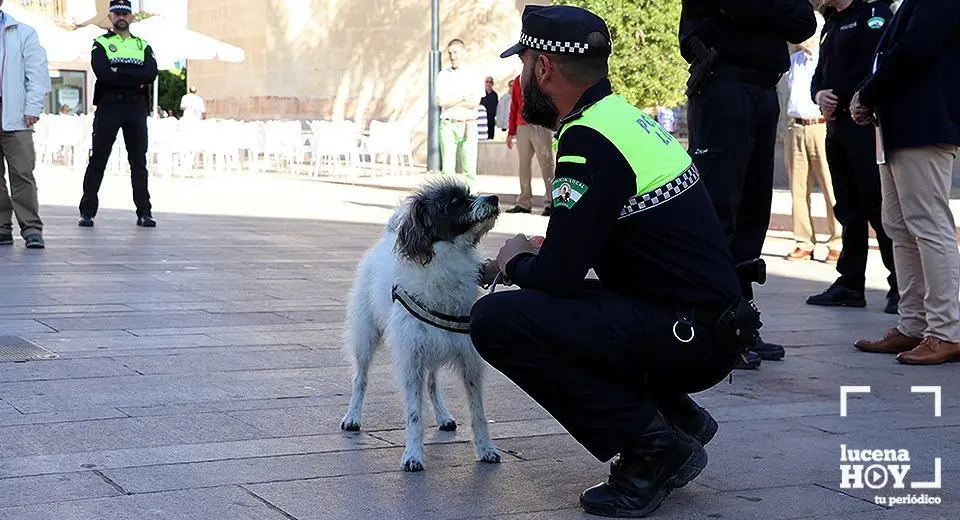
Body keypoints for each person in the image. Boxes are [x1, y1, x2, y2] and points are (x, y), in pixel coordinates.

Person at [471, 5, 763, 517]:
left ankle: (653, 448)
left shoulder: (588, 138)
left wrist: (513, 261)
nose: (521, 81)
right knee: (568, 313)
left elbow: (558, 278)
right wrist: (548, 253)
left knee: (499, 320)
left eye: (525, 66)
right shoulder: (624, 120)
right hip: (708, 324)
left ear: (544, 68)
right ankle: (674, 419)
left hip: (688, 335)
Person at [679, 0, 817, 369]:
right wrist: (773, 15)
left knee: (753, 212)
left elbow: (804, 23)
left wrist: (759, 13)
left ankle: (739, 323)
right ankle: (712, 323)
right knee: (719, 209)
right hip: (722, 83)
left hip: (762, 90)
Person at [851, 0, 960, 365]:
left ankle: (947, 330)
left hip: (924, 123)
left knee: (929, 227)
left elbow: (916, 47)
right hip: (898, 126)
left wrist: (867, 93)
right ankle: (913, 323)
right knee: (899, 226)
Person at [808, 0, 898, 314]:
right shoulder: (830, 24)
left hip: (864, 124)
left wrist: (853, 97)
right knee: (848, 207)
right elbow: (819, 76)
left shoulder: (873, 14)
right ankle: (850, 283)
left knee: (877, 203)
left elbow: (878, 66)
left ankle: (900, 284)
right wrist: (819, 95)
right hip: (836, 129)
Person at [78, 0, 158, 229]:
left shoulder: (143, 45)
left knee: (138, 162)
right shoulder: (100, 43)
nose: (121, 16)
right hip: (109, 106)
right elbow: (103, 73)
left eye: (125, 13)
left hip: (135, 107)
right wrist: (135, 78)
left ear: (131, 17)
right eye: (116, 13)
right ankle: (87, 211)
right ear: (110, 16)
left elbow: (151, 72)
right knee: (98, 159)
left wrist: (120, 72)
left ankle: (145, 212)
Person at [783, 11, 842, 264]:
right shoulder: (793, 61)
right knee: (798, 189)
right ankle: (803, 242)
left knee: (832, 187)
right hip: (795, 127)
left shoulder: (826, 58)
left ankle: (838, 241)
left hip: (820, 125)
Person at [0, 2, 51, 250]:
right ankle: (1, 228)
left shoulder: (22, 31)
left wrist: (32, 106)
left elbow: (38, 72)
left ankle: (31, 228)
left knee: (22, 172)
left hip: (15, 111)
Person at [505, 73, 555, 216]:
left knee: (547, 165)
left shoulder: (543, 77)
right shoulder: (517, 80)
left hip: (541, 124)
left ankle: (551, 202)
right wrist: (511, 131)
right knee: (524, 166)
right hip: (522, 126)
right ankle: (524, 202)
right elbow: (514, 106)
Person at [436, 39, 483, 184]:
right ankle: (446, 203)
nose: (452, 56)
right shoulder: (443, 75)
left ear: (464, 53)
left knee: (469, 169)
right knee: (447, 170)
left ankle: (471, 202)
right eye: (450, 53)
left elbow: (474, 102)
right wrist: (463, 97)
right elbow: (441, 101)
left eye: (455, 52)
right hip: (448, 124)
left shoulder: (474, 75)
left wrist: (453, 99)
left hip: (469, 124)